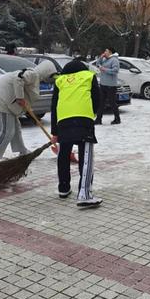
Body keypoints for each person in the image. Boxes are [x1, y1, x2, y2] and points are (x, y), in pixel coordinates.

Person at [51, 58, 102, 207]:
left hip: (63, 120)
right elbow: (97, 98)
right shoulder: (88, 76)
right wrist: (92, 113)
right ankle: (84, 194)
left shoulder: (60, 81)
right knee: (86, 156)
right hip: (83, 120)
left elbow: (53, 106)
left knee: (63, 154)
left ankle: (63, 188)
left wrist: (55, 132)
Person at [0, 60, 56, 161]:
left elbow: (25, 90)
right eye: (50, 76)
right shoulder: (33, 74)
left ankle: (22, 151)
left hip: (8, 104)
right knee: (7, 132)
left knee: (16, 128)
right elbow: (18, 78)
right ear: (46, 72)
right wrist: (19, 97)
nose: (48, 79)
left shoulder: (34, 76)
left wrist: (25, 105)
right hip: (3, 103)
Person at [95, 47, 120, 125]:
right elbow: (97, 64)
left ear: (110, 52)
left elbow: (115, 71)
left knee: (112, 103)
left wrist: (104, 69)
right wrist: (101, 57)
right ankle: (98, 119)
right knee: (101, 102)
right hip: (103, 84)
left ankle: (117, 119)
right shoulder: (105, 59)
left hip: (111, 85)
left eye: (106, 51)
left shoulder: (114, 60)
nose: (104, 52)